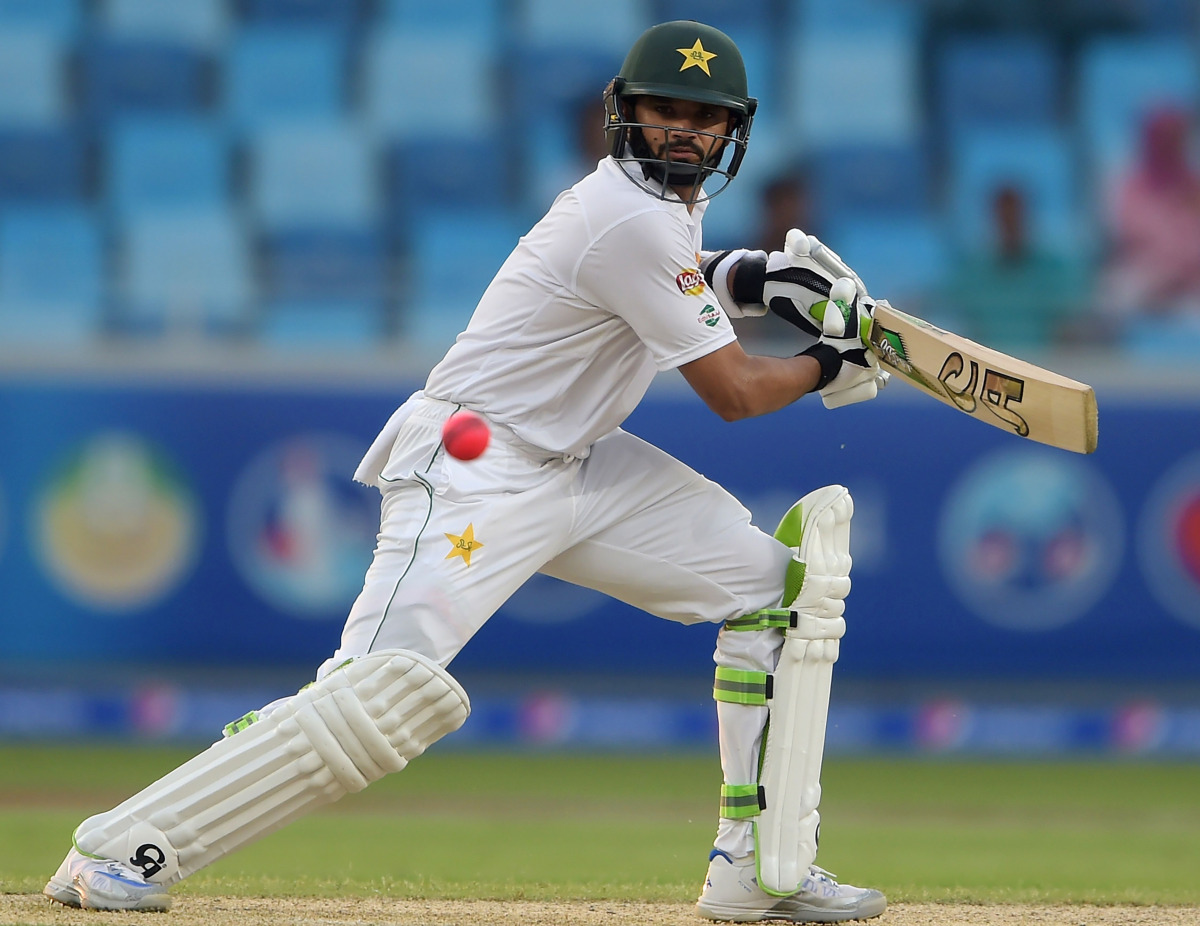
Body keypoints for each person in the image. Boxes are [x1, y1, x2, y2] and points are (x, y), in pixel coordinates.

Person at [44, 21, 888, 923]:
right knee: (375, 697)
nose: (685, 132)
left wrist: (750, 278)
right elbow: (734, 392)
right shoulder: (631, 218)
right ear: (624, 114)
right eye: (664, 111)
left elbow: (661, 280)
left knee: (772, 589)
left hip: (578, 463)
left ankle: (757, 868)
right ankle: (120, 852)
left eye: (704, 118)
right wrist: (831, 362)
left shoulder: (662, 214)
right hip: (474, 468)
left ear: (734, 131)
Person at [943, 182, 1089, 350]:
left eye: (1015, 217)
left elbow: (1071, 323)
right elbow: (946, 311)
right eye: (1005, 218)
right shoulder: (972, 272)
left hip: (1044, 365)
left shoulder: (1055, 269)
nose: (1010, 224)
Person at [1097, 106, 1200, 333]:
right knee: (1112, 299)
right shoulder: (1126, 184)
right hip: (1142, 275)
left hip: (1190, 281)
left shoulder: (1194, 185)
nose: (1169, 145)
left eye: (1175, 138)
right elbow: (1130, 234)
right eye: (1163, 138)